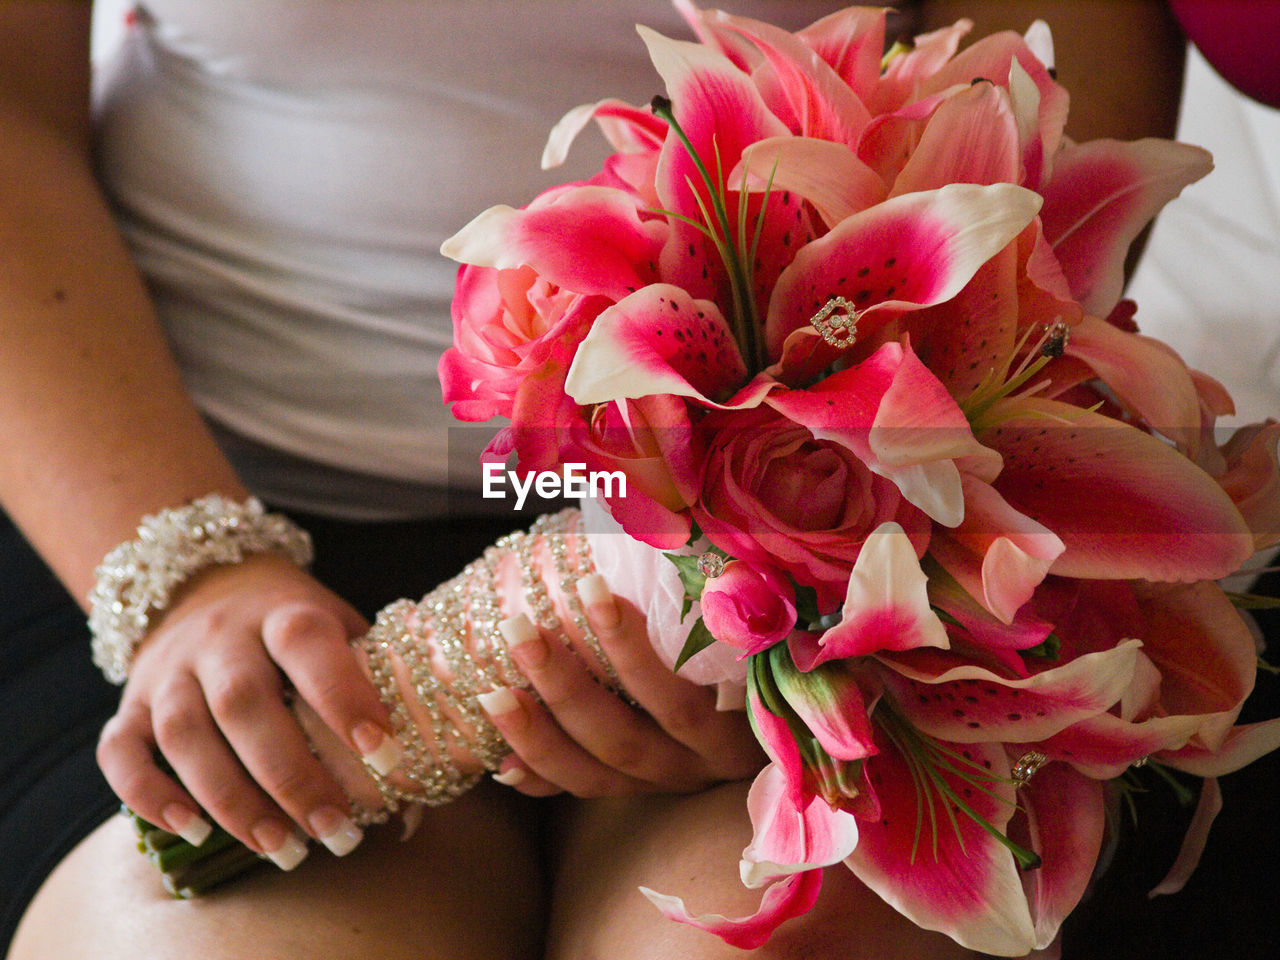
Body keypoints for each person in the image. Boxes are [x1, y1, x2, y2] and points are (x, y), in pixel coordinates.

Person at [0, 2, 1245, 959]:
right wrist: (179, 573)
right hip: (195, 486)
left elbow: (1033, 121)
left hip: (827, 534)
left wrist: (804, 611)